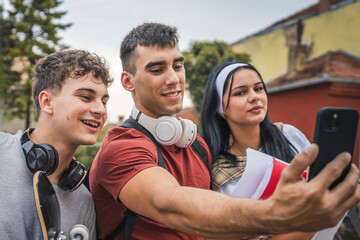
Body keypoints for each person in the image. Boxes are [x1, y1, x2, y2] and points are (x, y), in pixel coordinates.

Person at [89, 22, 360, 240]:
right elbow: (169, 203)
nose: (174, 79)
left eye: (178, 65)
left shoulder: (197, 146)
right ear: (128, 81)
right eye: (157, 69)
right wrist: (281, 213)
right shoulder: (121, 147)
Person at [0, 49, 113, 239]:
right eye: (86, 97)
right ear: (46, 102)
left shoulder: (84, 201)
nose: (100, 110)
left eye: (104, 101)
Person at [201, 61, 315, 239]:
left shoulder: (288, 135)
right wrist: (315, 221)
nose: (255, 97)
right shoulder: (222, 173)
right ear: (221, 108)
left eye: (259, 88)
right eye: (240, 92)